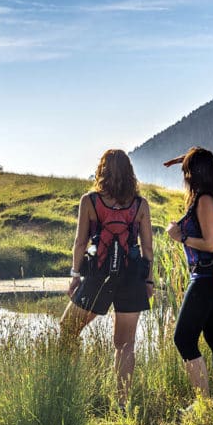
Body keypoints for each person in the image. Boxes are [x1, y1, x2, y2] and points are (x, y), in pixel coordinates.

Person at [61, 149, 154, 408]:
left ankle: (67, 390)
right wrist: (148, 282)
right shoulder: (140, 205)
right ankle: (122, 405)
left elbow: (80, 243)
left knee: (67, 329)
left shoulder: (89, 202)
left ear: (102, 170)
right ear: (129, 173)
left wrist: (75, 275)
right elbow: (148, 250)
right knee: (125, 345)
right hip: (132, 278)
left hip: (98, 277)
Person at [164, 147, 213, 406]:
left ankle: (203, 403)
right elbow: (202, 156)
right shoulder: (211, 195)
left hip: (205, 277)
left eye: (186, 171)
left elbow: (210, 244)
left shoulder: (204, 200)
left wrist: (179, 236)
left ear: (194, 174)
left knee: (183, 338)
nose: (184, 176)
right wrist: (184, 158)